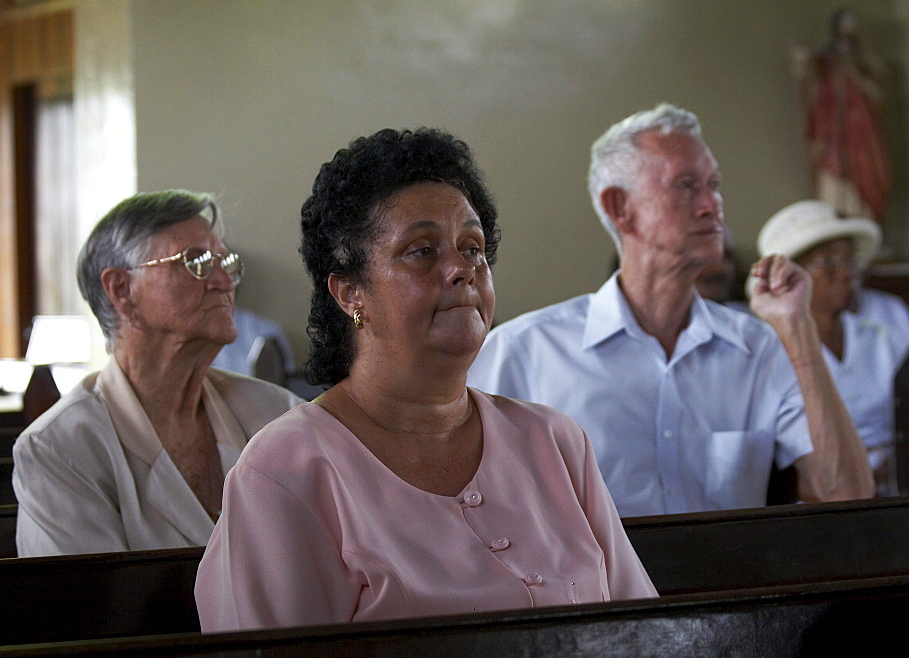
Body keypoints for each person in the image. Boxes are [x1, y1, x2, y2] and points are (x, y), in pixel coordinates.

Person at [195, 128, 657, 631]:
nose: (462, 269)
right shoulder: (286, 473)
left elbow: (644, 633)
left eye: (473, 248)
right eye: (422, 250)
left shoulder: (554, 443)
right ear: (351, 293)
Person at [468, 103, 874, 517]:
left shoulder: (757, 349)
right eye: (686, 185)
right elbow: (474, 506)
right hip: (595, 585)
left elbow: (848, 494)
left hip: (734, 582)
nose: (711, 205)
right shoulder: (525, 352)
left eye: (714, 185)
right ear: (620, 208)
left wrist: (798, 328)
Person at [12, 191, 303, 556]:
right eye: (195, 261)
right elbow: (86, 606)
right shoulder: (58, 449)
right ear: (121, 290)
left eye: (224, 262)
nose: (224, 282)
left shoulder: (278, 413)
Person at [756, 200, 909, 488]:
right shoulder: (764, 351)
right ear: (788, 278)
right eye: (828, 261)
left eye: (851, 260)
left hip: (898, 482)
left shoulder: (882, 336)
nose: (847, 272)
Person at [792, 8, 892, 224]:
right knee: (831, 178)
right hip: (831, 133)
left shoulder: (865, 62)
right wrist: (803, 64)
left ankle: (867, 225)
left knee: (868, 175)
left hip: (862, 133)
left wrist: (854, 72)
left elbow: (878, 95)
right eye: (846, 24)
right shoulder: (824, 62)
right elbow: (808, 83)